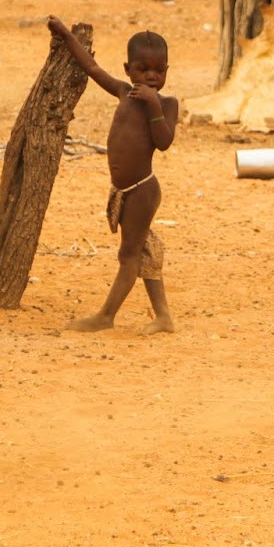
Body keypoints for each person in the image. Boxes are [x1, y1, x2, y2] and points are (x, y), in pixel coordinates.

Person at [48, 17, 178, 335]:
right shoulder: (123, 92)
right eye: (142, 69)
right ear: (127, 70)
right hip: (124, 191)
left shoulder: (167, 104)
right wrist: (65, 35)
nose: (151, 76)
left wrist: (153, 106)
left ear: (167, 70)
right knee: (144, 249)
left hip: (142, 190)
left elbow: (163, 142)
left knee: (129, 254)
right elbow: (92, 68)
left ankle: (106, 316)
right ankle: (163, 317)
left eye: (159, 70)